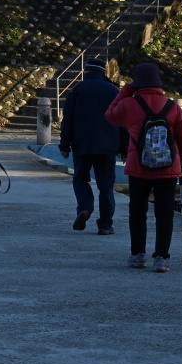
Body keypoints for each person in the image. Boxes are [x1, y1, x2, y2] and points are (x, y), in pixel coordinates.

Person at [105, 62, 182, 272]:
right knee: (165, 213)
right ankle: (162, 258)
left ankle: (137, 255)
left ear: (137, 83)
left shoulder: (129, 104)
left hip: (139, 168)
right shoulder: (172, 107)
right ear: (158, 82)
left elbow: (110, 115)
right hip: (167, 168)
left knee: (138, 211)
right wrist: (179, 161)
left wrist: (126, 90)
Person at [58, 58, 127, 235]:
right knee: (106, 186)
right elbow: (123, 122)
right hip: (108, 147)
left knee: (80, 179)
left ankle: (85, 207)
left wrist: (64, 144)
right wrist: (125, 149)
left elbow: (68, 120)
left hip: (82, 145)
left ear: (86, 72)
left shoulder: (77, 90)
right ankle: (105, 224)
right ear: (103, 72)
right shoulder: (113, 90)